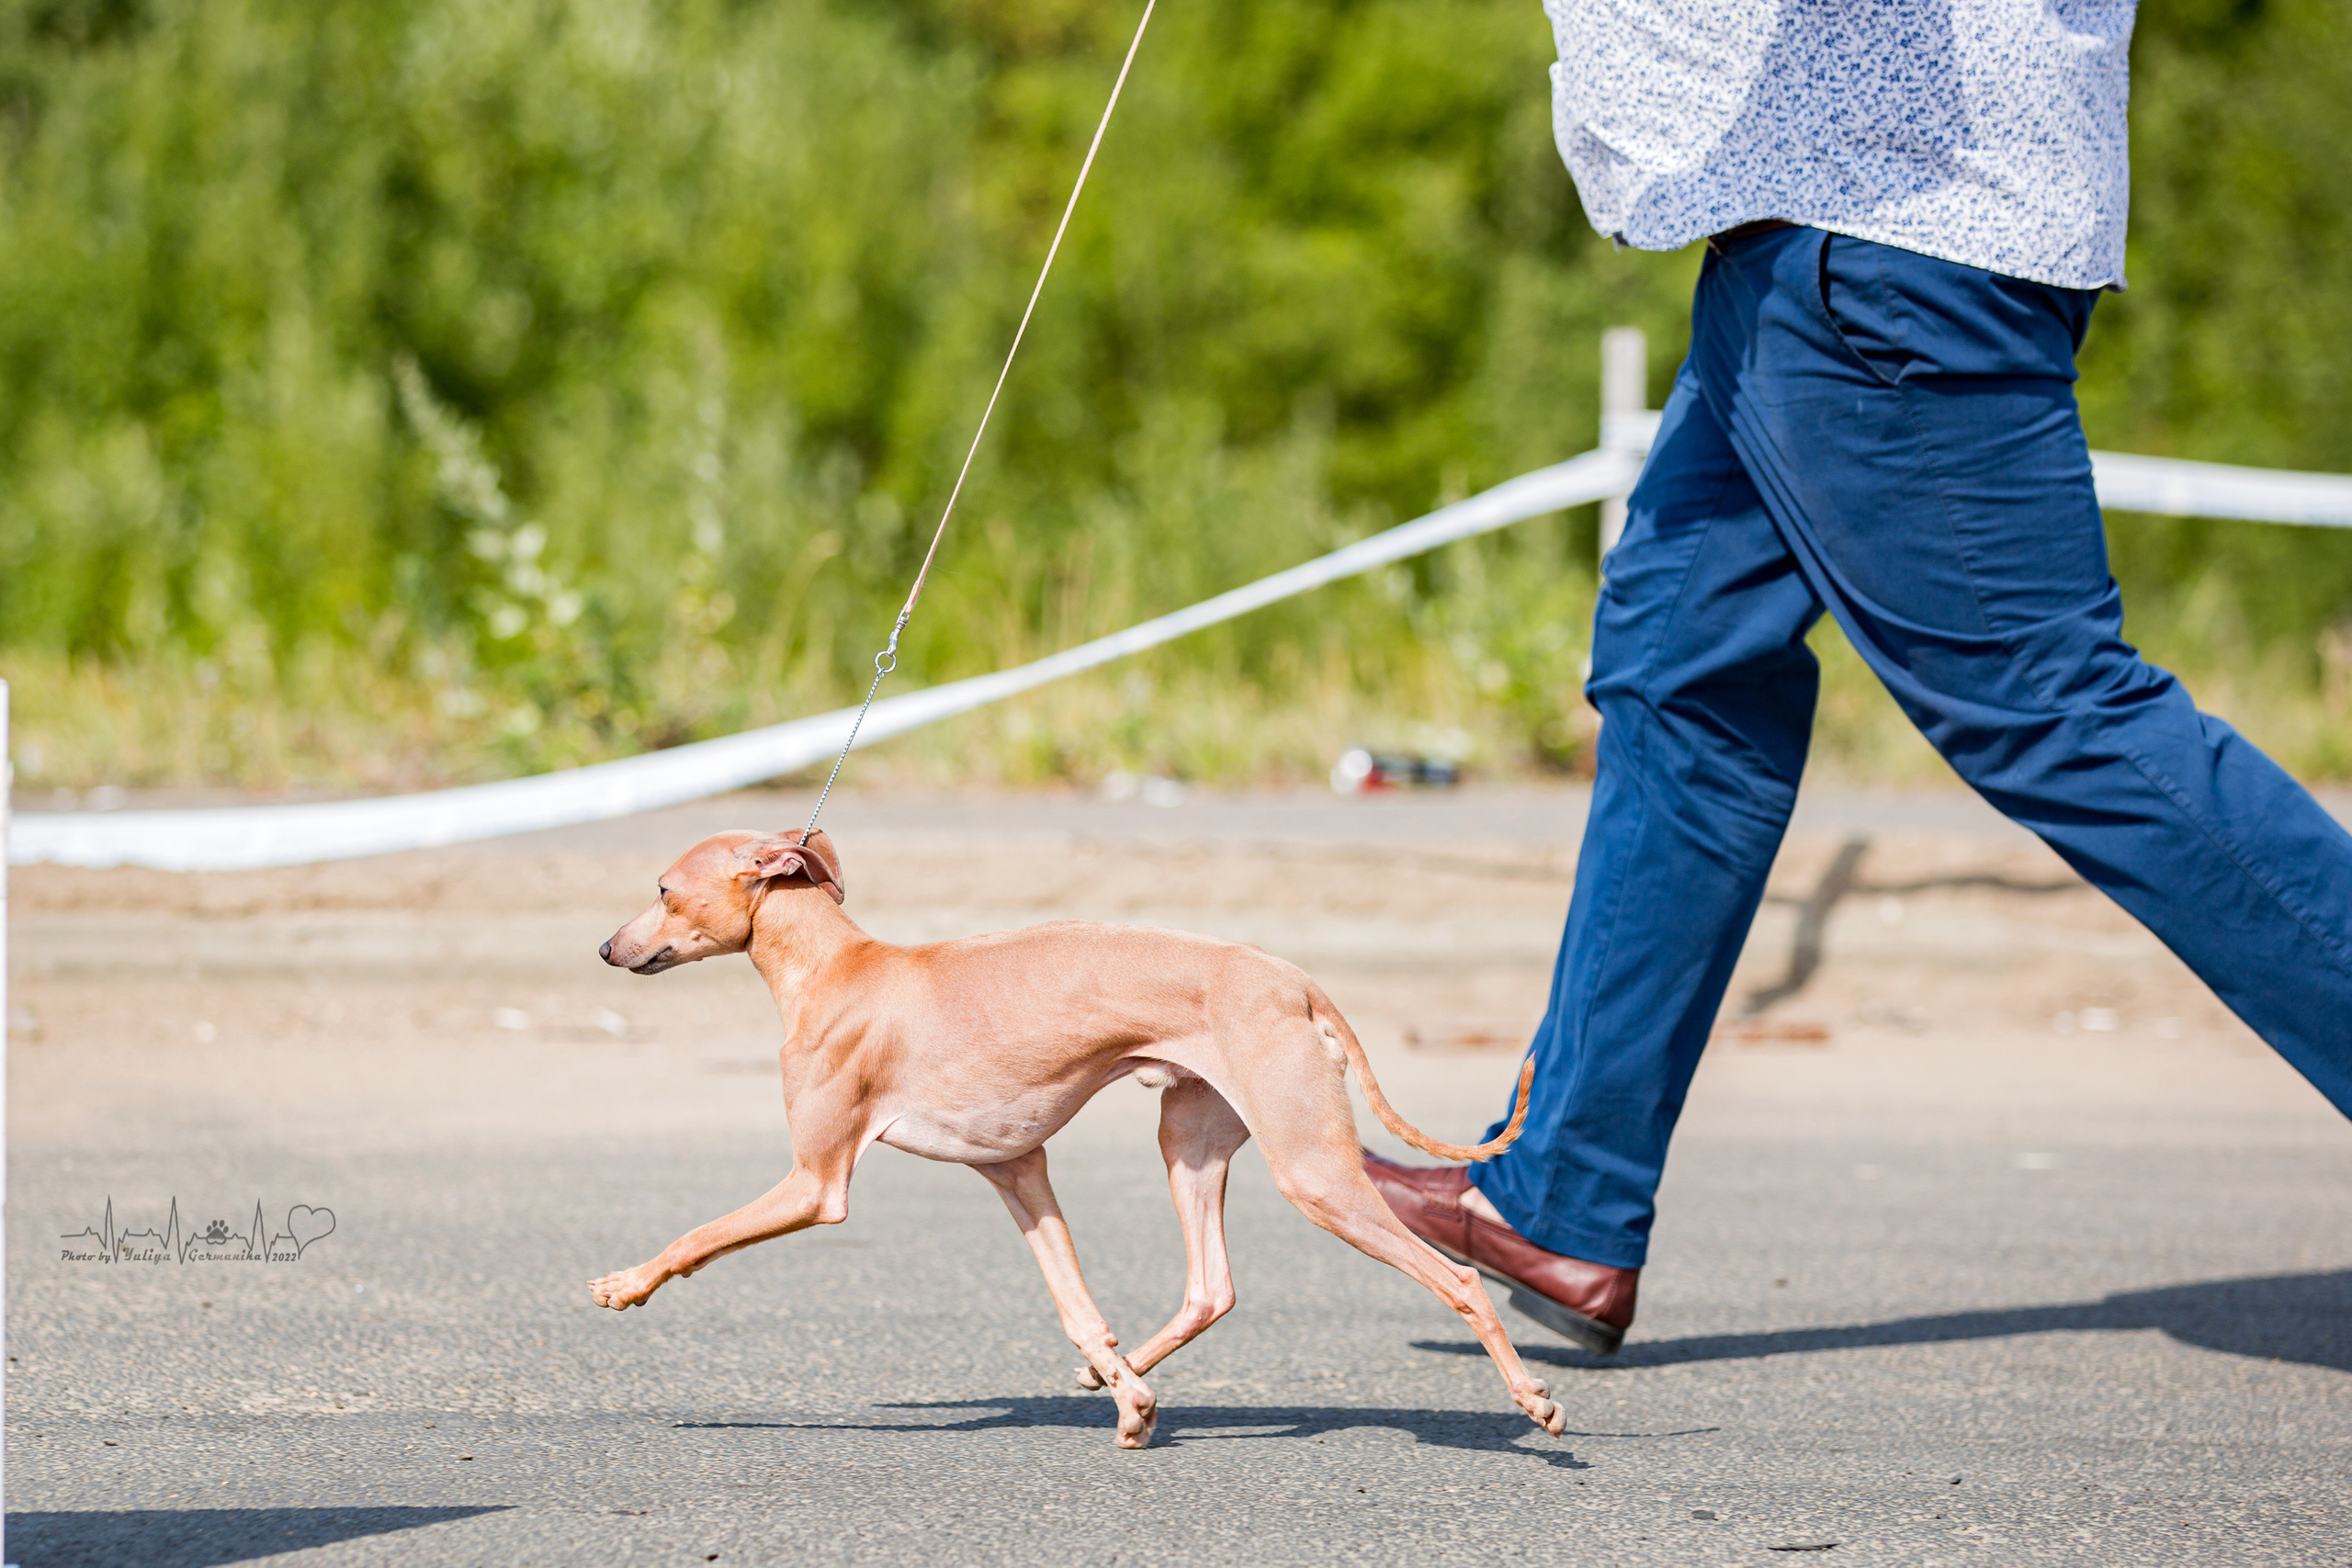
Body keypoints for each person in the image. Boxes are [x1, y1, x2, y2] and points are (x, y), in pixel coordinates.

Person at [1363, 2, 2352, 1356]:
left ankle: (1570, 1191)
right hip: (1834, 234)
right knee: (1682, 676)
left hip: (1889, 247)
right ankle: (1566, 1196)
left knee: (2058, 712)